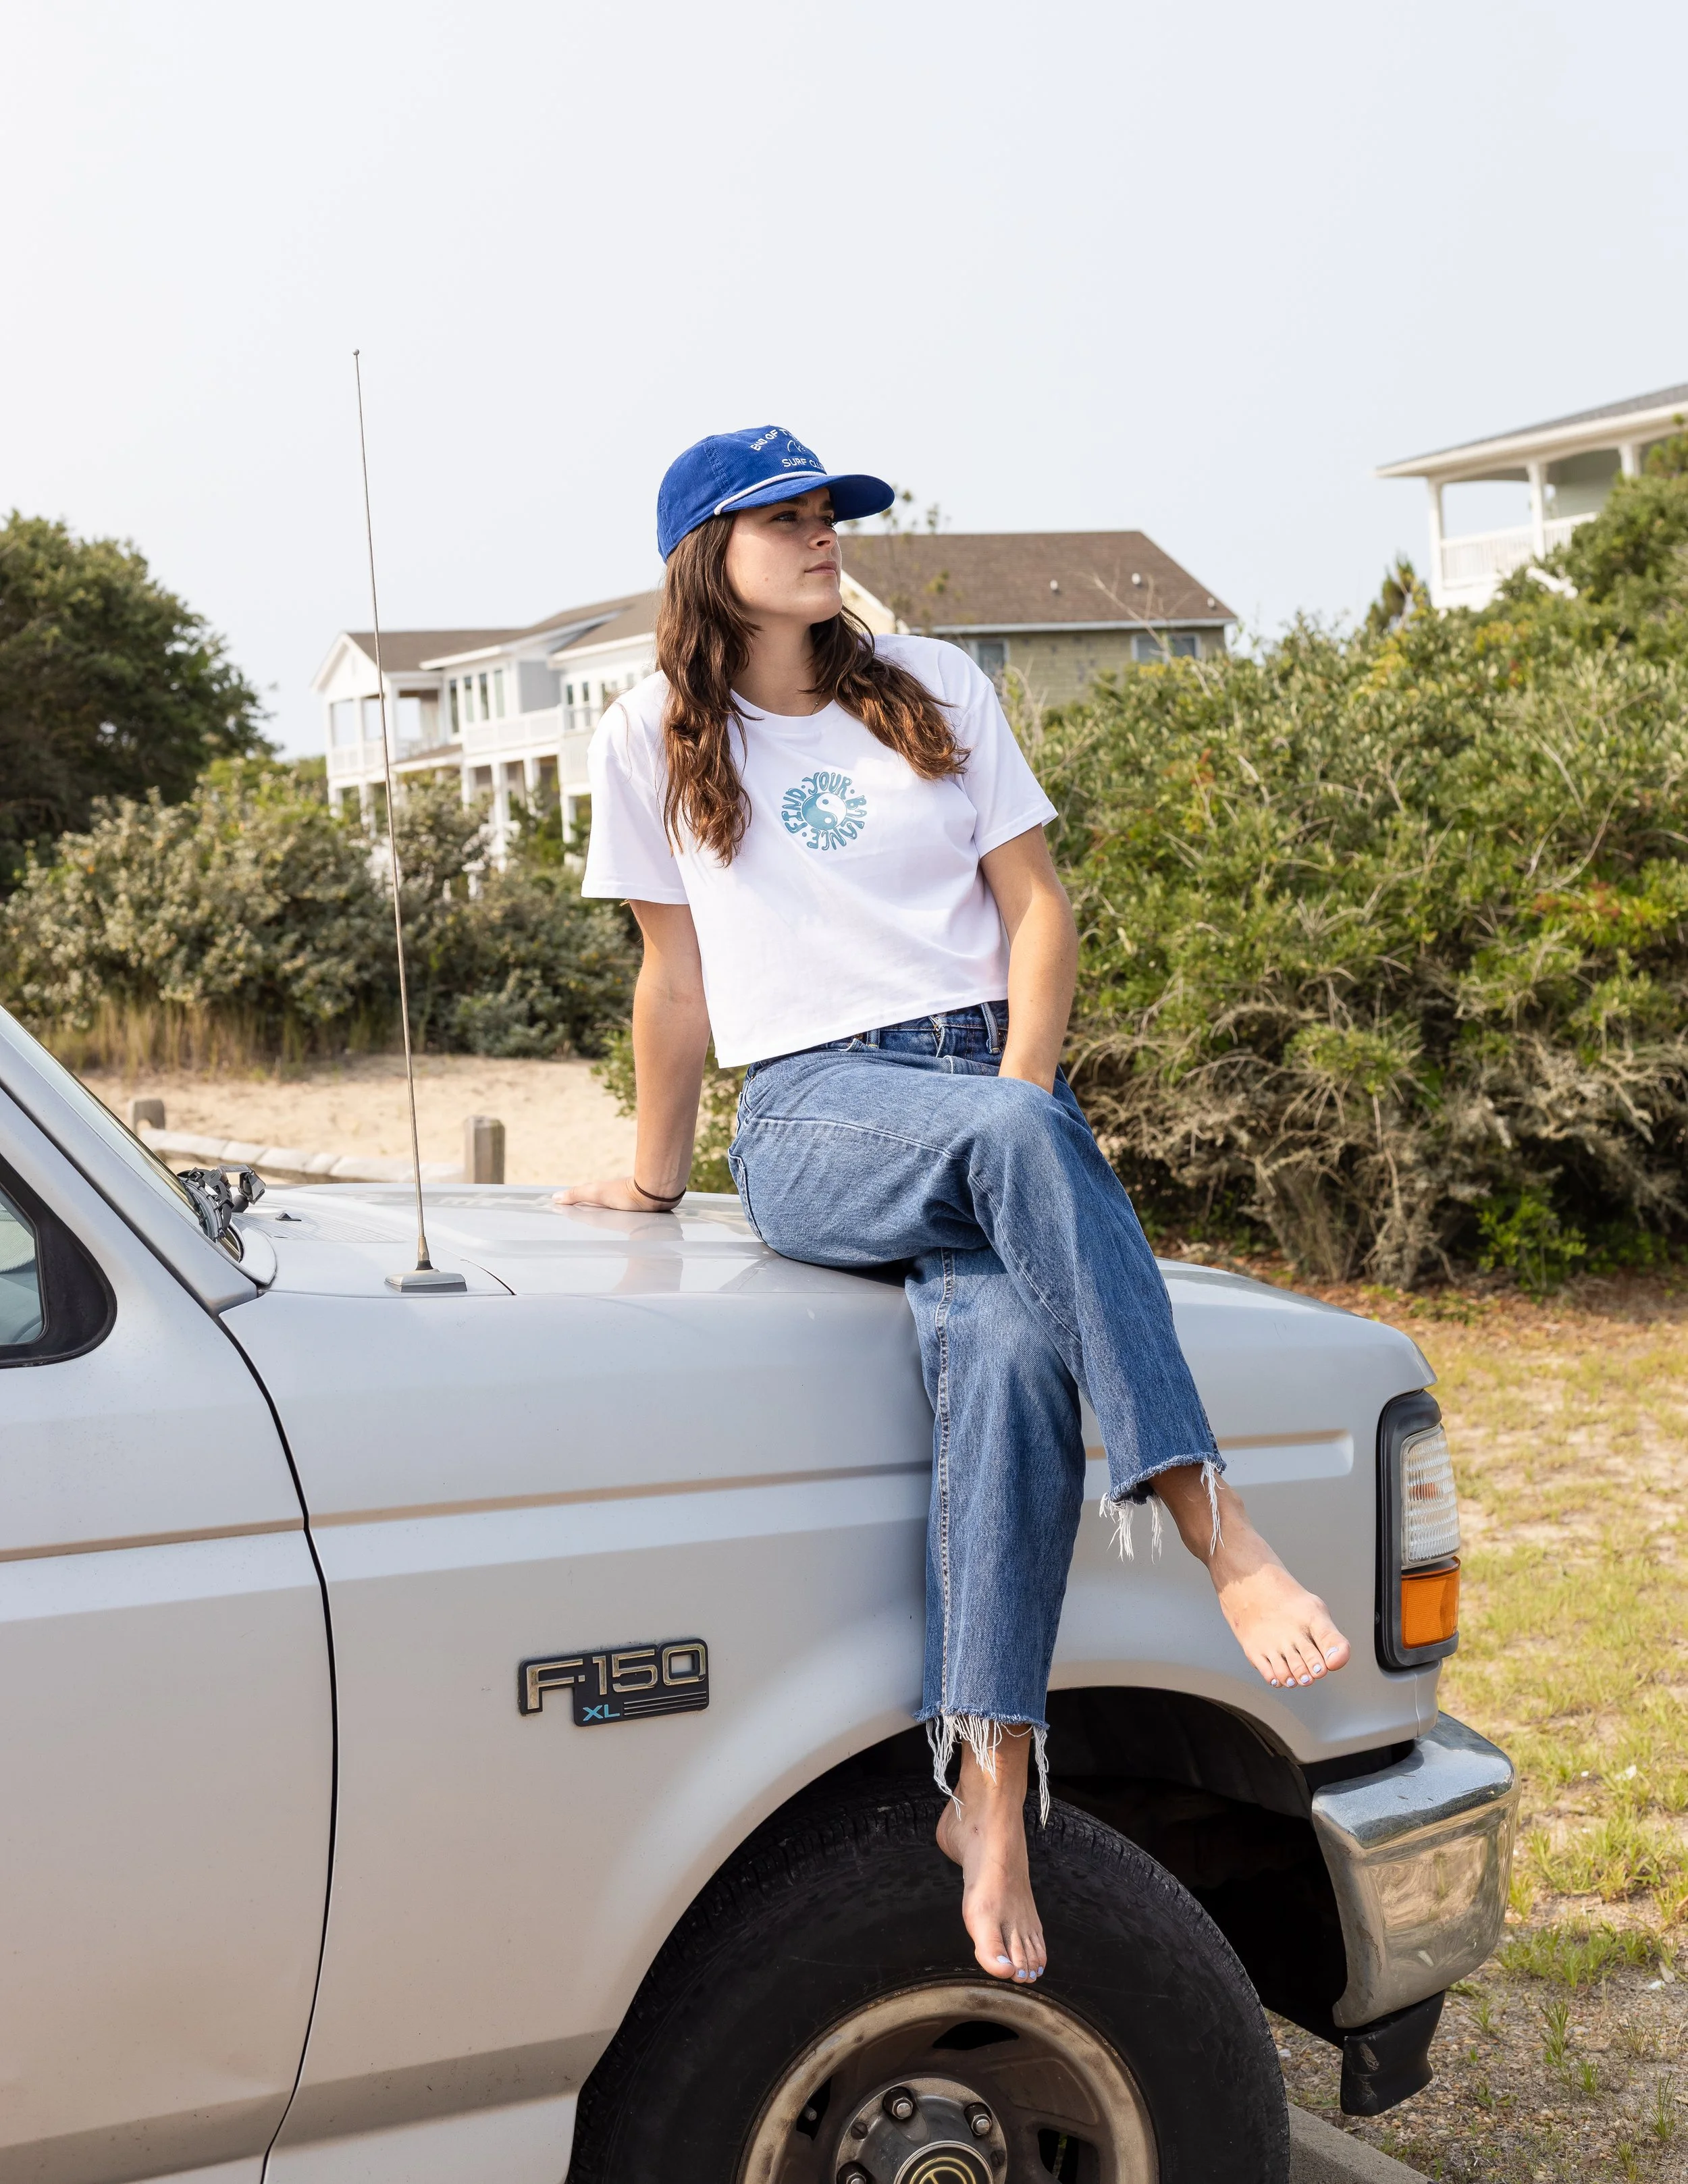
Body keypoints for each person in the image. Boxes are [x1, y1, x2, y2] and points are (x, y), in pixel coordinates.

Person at [557, 426, 1350, 1988]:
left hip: (981, 1091)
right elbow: (675, 976)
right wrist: (655, 1172)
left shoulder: (932, 685)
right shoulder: (648, 734)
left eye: (827, 513)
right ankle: (1216, 1524)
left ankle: (987, 1778)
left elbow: (1036, 909)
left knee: (1001, 1353)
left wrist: (1020, 1090)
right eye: (778, 519)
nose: (818, 535)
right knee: (1008, 1149)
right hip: (808, 1114)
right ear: (701, 556)